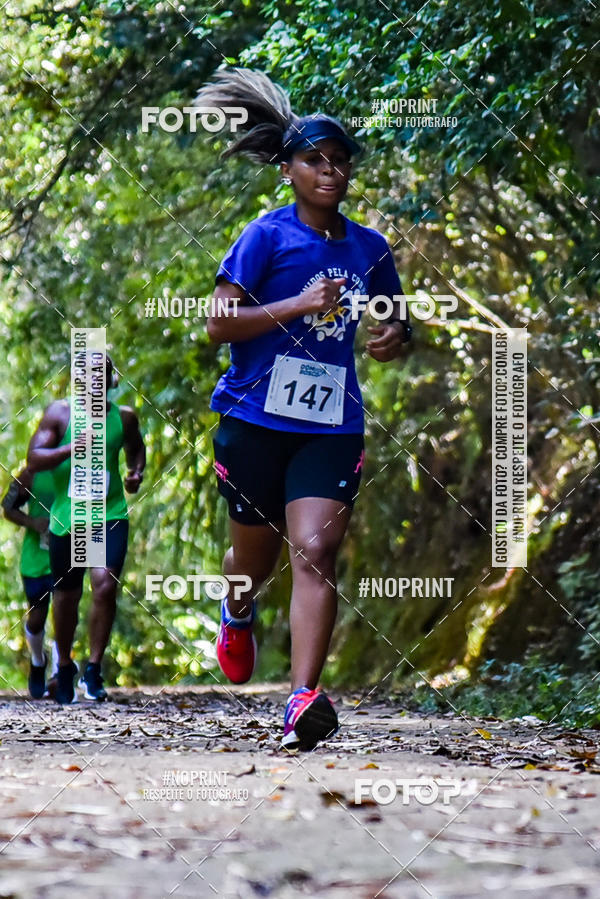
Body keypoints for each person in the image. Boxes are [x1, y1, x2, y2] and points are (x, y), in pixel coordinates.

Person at [197, 69, 412, 750]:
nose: (330, 171)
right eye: (315, 160)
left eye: (340, 161)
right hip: (254, 420)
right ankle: (236, 608)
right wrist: (296, 304)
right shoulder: (263, 237)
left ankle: (302, 699)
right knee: (251, 561)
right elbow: (217, 325)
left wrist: (393, 338)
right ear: (288, 168)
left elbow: (395, 325)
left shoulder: (370, 249)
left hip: (330, 424)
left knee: (315, 550)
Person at [26, 354, 146, 704]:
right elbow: (33, 458)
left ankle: (94, 669)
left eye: (101, 375)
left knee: (104, 584)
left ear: (111, 380)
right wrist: (70, 448)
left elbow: (136, 450)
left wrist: (135, 472)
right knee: (66, 597)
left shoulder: (123, 417)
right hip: (69, 518)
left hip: (109, 514)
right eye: (87, 376)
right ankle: (64, 665)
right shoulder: (59, 414)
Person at [2, 467, 55, 698]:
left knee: (67, 609)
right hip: (36, 559)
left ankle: (60, 672)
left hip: (72, 553)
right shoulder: (32, 472)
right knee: (37, 618)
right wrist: (33, 523)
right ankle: (37, 661)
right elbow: (7, 507)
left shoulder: (83, 468)